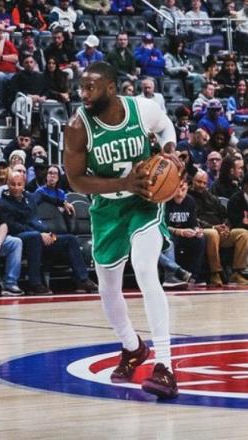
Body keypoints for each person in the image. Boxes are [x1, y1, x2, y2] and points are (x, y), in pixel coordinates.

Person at [63, 61, 181, 399]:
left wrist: (170, 153)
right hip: (107, 208)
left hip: (144, 202)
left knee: (145, 269)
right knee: (108, 289)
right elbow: (76, 181)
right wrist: (122, 183)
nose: (83, 93)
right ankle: (132, 347)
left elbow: (166, 126)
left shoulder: (141, 109)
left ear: (111, 88)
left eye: (90, 87)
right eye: (81, 87)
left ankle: (165, 367)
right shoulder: (77, 127)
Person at [0, 171, 98, 294]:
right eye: (13, 184)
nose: (16, 187)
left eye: (19, 184)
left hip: (43, 235)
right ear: (7, 184)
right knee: (34, 237)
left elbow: (45, 196)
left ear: (24, 184)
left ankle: (82, 280)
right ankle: (35, 284)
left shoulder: (29, 197)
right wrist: (39, 234)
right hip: (20, 237)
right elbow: (13, 226)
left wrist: (63, 202)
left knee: (70, 239)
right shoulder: (3, 203)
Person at [189, 170, 248, 286]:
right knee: (213, 233)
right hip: (202, 231)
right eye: (199, 182)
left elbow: (225, 215)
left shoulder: (211, 198)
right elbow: (194, 219)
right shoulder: (189, 198)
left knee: (243, 233)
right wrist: (213, 227)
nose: (202, 185)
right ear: (192, 181)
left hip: (220, 231)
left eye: (204, 183)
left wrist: (226, 227)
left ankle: (237, 272)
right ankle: (215, 273)